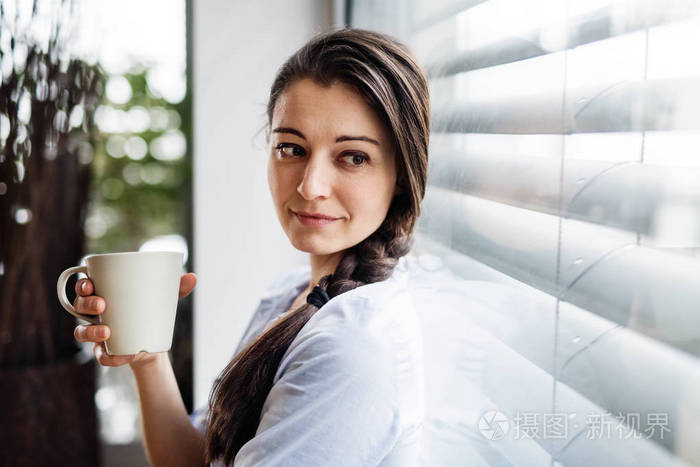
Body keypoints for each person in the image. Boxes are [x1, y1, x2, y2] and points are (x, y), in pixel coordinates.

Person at [72, 27, 430, 466]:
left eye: (353, 157)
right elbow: (197, 460)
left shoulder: (352, 349)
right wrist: (148, 357)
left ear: (401, 174)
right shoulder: (293, 296)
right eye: (291, 148)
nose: (310, 185)